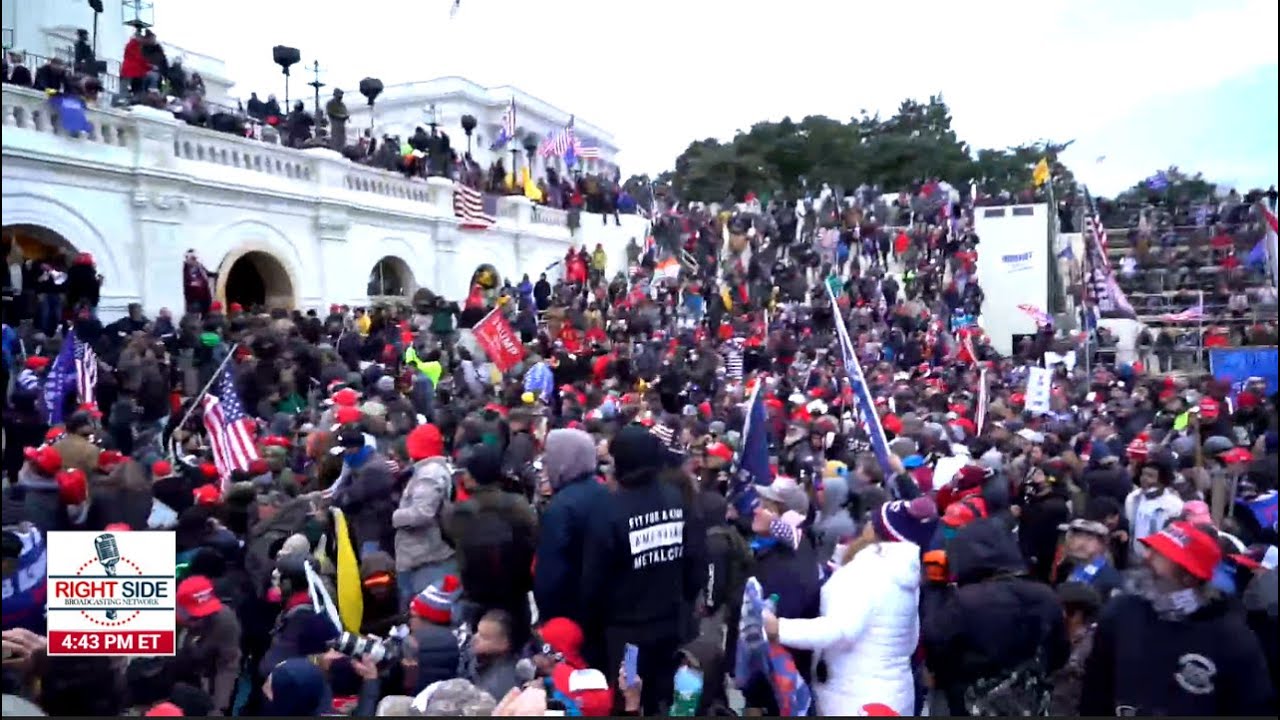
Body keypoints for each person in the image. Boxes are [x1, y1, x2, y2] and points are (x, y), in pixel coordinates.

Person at [1080, 521, 1275, 715]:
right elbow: (1095, 692)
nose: (1147, 557)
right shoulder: (1120, 613)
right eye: (1151, 549)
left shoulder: (1233, 640)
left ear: (1189, 577)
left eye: (1161, 554)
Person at [764, 498, 935, 715]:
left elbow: (839, 630)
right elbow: (910, 640)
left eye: (872, 521)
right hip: (895, 695)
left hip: (856, 699)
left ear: (876, 532)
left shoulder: (864, 574)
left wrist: (779, 628)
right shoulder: (904, 577)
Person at [579, 425, 703, 713]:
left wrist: (593, 631)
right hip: (670, 629)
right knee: (663, 700)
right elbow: (696, 561)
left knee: (629, 701)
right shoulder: (677, 500)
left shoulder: (609, 511)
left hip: (629, 640)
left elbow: (593, 582)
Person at [394, 424, 457, 605]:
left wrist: (396, 516)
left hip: (426, 557)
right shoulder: (427, 470)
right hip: (420, 555)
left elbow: (423, 512)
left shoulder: (429, 474)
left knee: (425, 609)